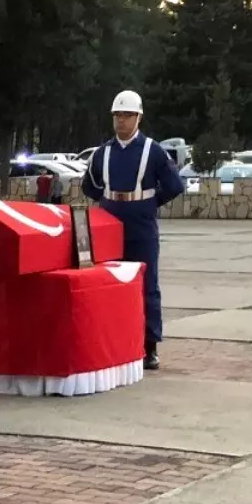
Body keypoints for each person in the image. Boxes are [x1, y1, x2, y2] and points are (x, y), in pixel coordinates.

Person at [82, 90, 185, 371]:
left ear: (138, 117)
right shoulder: (102, 153)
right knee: (110, 282)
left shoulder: (153, 151)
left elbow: (175, 185)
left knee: (146, 283)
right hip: (110, 221)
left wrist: (150, 203)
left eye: (127, 115)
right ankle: (112, 342)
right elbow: (89, 186)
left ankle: (149, 346)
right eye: (117, 115)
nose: (121, 121)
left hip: (141, 223)